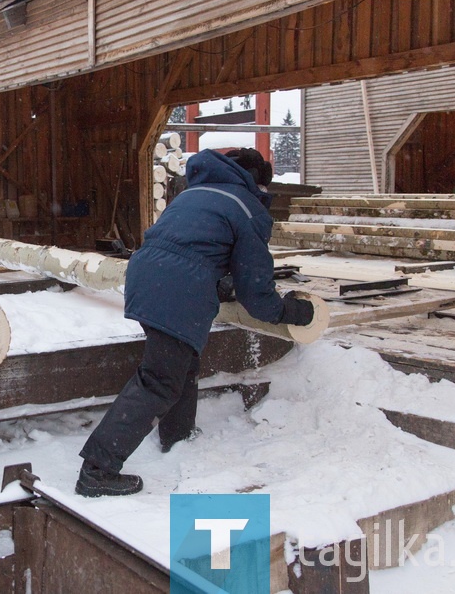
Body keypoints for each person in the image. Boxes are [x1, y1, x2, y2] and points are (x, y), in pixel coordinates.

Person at [75, 148, 315, 497]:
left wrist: (218, 284)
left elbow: (190, 247)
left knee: (181, 362)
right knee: (158, 381)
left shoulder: (195, 193)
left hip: (146, 278)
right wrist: (293, 312)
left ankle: (178, 435)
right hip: (176, 287)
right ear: (258, 182)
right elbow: (257, 294)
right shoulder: (247, 206)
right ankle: (97, 470)